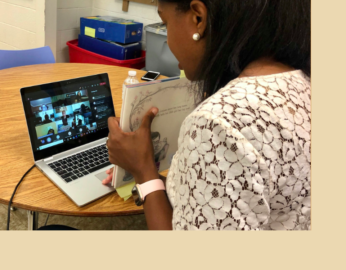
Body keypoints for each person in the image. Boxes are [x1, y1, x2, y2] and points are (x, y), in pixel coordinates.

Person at [103, 0, 311, 230]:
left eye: (165, 23)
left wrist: (143, 171)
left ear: (198, 19)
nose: (167, 40)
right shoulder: (303, 81)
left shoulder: (218, 122)